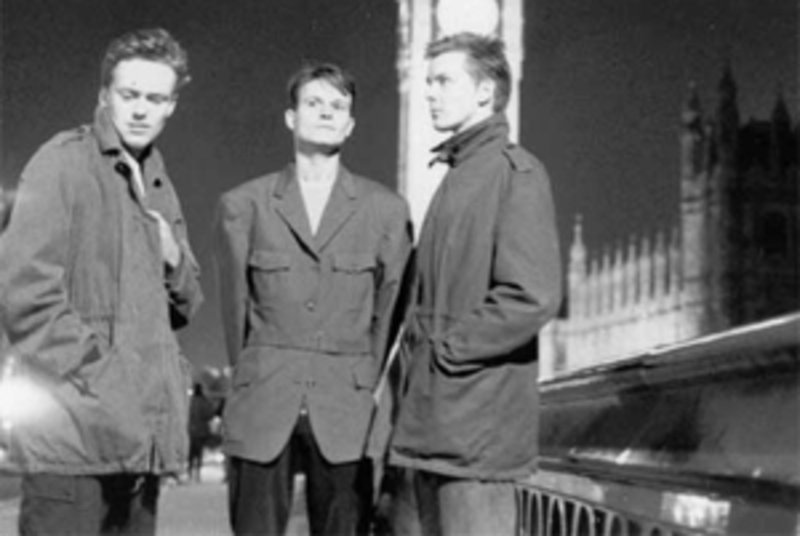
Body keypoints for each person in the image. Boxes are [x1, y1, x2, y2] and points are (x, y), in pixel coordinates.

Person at [0, 28, 203, 535]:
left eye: (154, 98)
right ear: (104, 95)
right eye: (129, 94)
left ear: (171, 106)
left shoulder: (159, 183)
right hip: (71, 448)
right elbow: (26, 296)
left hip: (137, 448)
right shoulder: (61, 162)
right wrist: (107, 380)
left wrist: (173, 257)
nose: (140, 110)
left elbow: (187, 306)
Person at [215, 62, 413, 535]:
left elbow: (390, 312)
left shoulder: (386, 212)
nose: (326, 113)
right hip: (263, 403)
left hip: (345, 410)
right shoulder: (243, 205)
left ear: (350, 124)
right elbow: (234, 311)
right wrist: (255, 372)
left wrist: (360, 378)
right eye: (314, 103)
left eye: (338, 106)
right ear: (291, 117)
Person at [388, 33, 562, 535]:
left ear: (485, 91)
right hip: (434, 425)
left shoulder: (515, 173)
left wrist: (445, 352)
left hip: (475, 433)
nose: (430, 93)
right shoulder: (458, 173)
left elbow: (532, 295)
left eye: (444, 81)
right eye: (428, 82)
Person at [187, 382, 217, 482]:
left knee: (190, 454)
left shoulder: (190, 401)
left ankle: (189, 472)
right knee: (199, 453)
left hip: (191, 431)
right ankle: (198, 474)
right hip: (201, 431)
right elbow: (210, 414)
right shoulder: (204, 401)